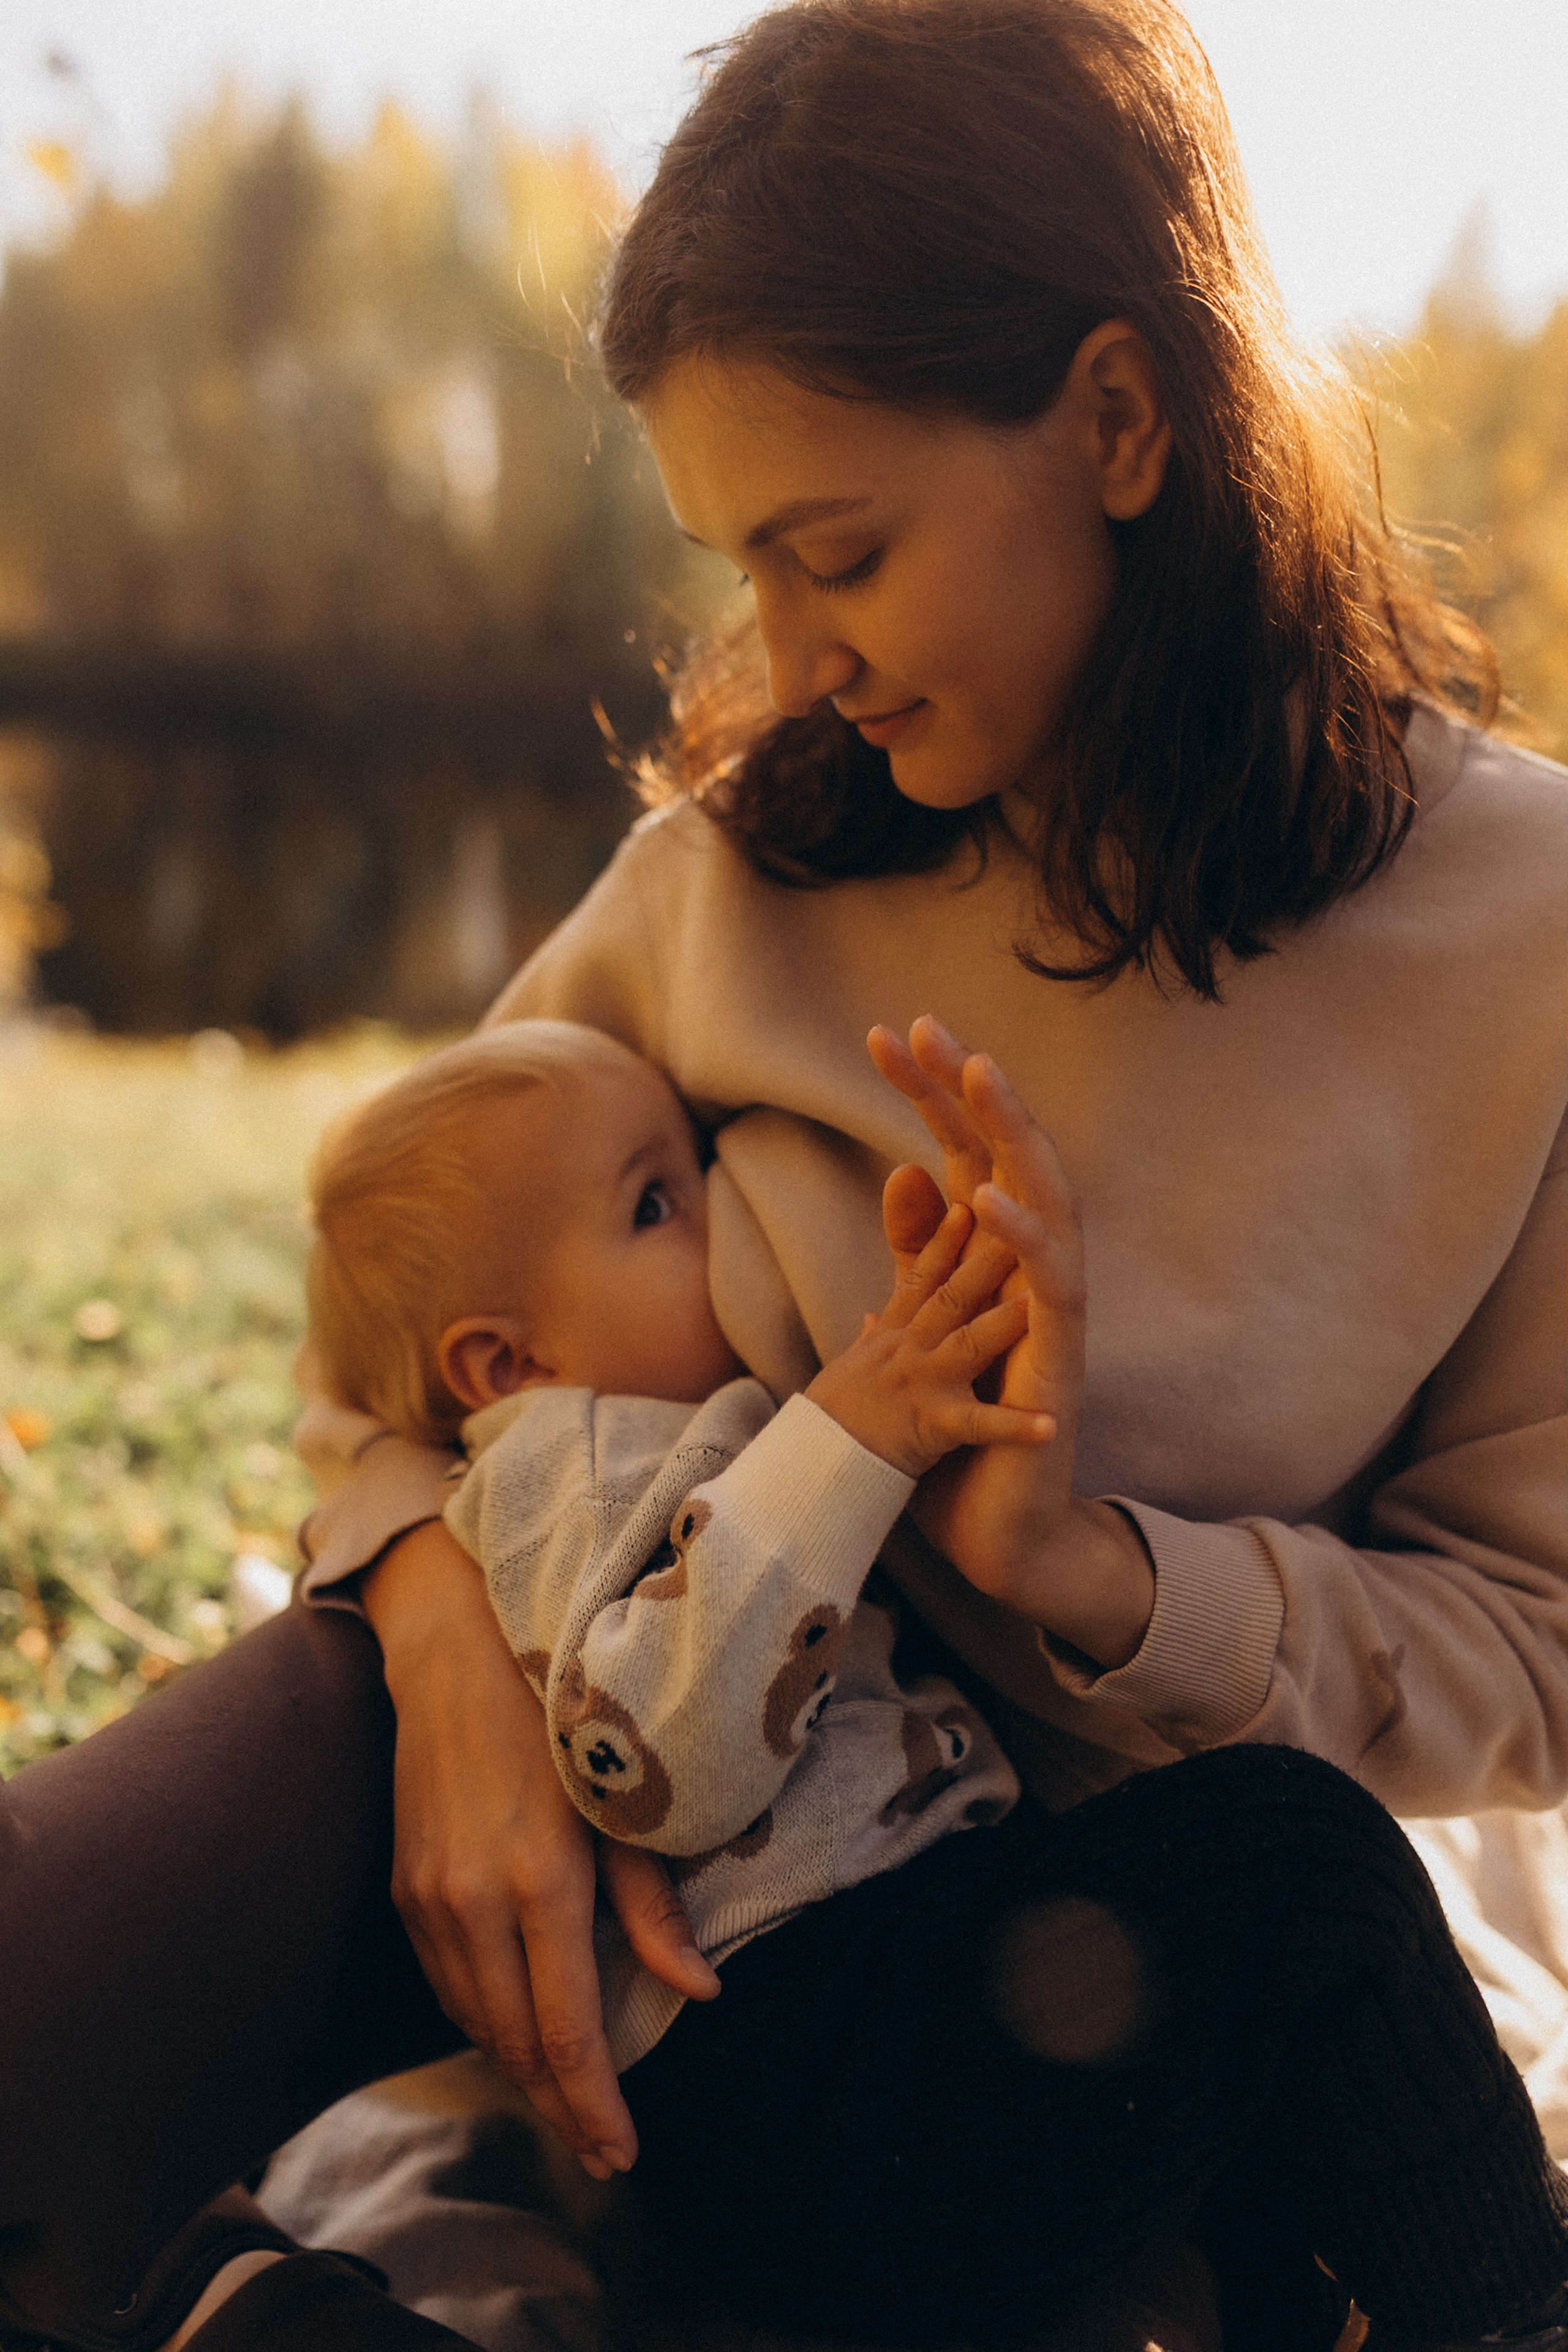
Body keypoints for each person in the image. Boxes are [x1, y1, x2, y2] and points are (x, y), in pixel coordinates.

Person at [0, 1, 1562, 2348]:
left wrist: (1096, 1576)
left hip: (1013, 1948)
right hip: (523, 1798)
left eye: (836, 549)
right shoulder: (717, 879)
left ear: (1123, 422)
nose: (787, 658)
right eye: (743, 564)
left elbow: (1532, 1647)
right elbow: (399, 1334)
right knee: (51, 1978)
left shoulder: (1523, 941)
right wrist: (433, 1645)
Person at [296, 1008, 1568, 2352]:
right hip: (801, 2071)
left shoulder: (644, 1430)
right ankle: (1510, 2306)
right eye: (659, 1202)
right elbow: (656, 1764)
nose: (733, 1220)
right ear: (506, 1365)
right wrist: (847, 1437)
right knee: (1295, 1862)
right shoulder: (560, 1460)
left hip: (878, 2030)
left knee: (1249, 2100)